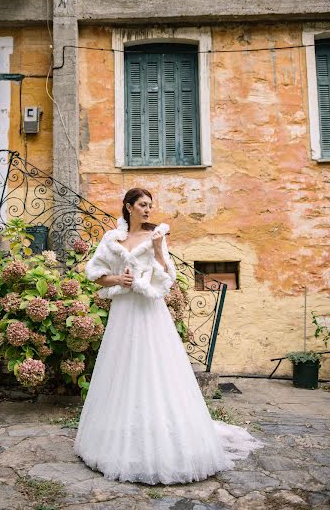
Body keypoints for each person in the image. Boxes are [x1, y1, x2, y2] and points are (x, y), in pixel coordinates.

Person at [73, 188, 262, 485]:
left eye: (150, 205)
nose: (148, 210)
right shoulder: (112, 240)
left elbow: (168, 275)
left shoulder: (157, 235)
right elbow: (94, 273)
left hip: (150, 311)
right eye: (142, 205)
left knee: (156, 368)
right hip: (124, 310)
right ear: (129, 207)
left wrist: (159, 249)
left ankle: (164, 435)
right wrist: (118, 279)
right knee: (123, 369)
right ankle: (119, 436)